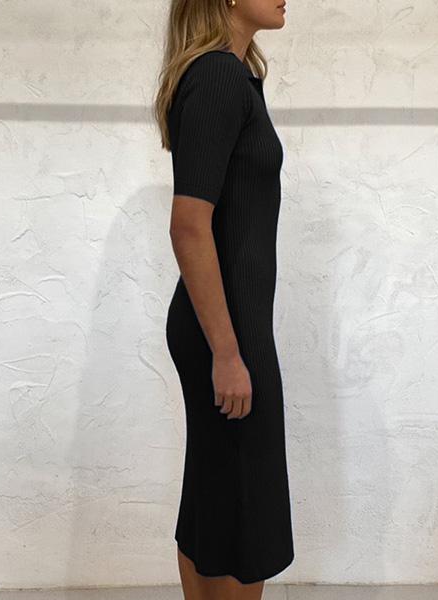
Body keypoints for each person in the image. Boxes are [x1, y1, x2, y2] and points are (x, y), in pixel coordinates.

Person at [153, 1, 290, 598]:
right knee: (243, 508)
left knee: (220, 493)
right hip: (225, 332)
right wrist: (228, 353)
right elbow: (189, 225)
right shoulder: (216, 76)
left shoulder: (229, 76)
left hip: (229, 325)